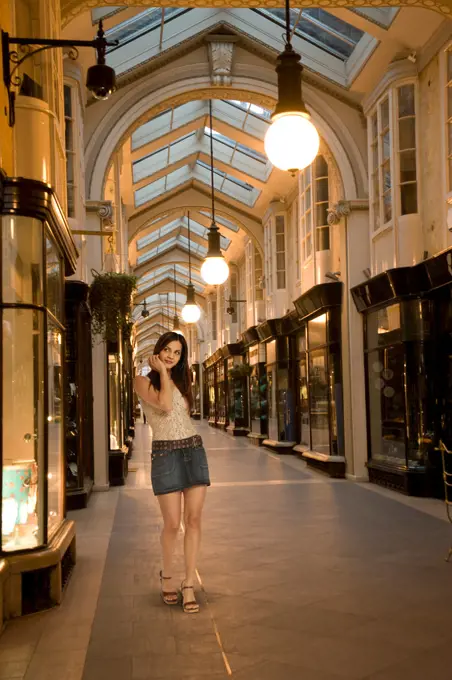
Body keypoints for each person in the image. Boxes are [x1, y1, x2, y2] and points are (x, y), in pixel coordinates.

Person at [134, 331, 210, 614]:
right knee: (171, 524)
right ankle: (167, 576)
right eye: (167, 349)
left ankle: (188, 583)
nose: (170, 356)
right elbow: (165, 406)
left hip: (193, 450)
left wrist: (171, 376)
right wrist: (163, 374)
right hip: (165, 453)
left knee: (194, 520)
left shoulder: (183, 379)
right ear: (158, 350)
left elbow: (182, 416)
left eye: (177, 353)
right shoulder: (142, 381)